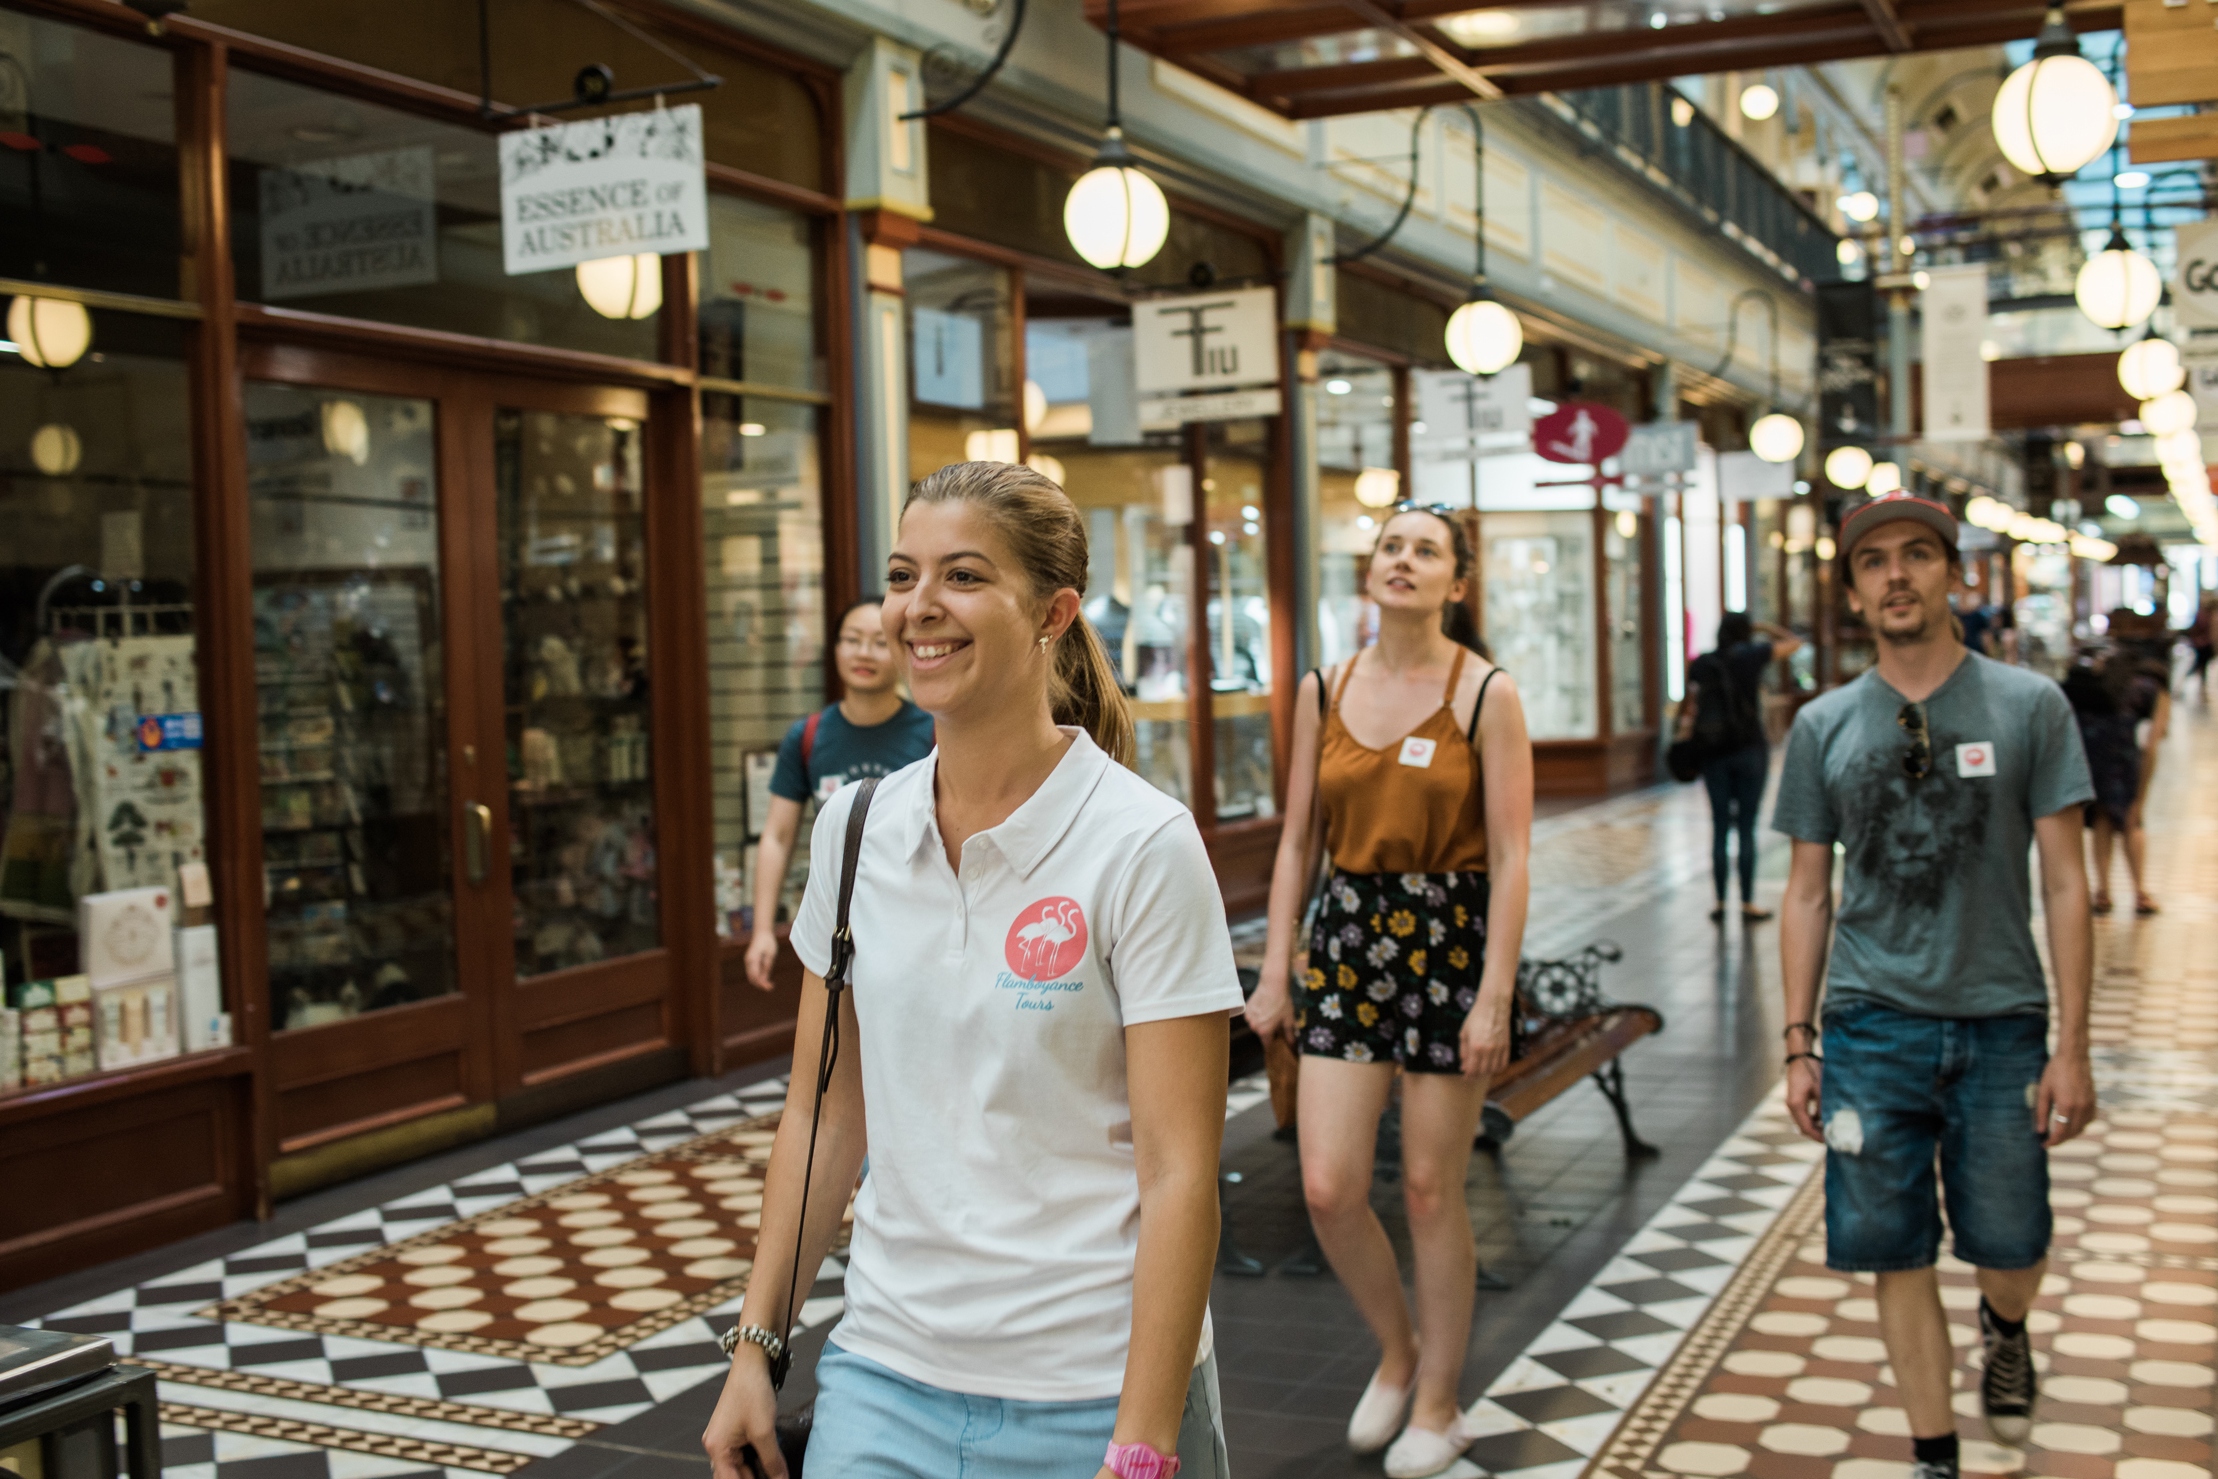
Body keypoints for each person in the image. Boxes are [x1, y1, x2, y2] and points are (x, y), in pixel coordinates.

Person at [701, 462, 1243, 1479]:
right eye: (905, 576)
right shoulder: (857, 830)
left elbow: (1178, 1173)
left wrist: (1142, 1441)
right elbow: (822, 1115)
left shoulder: (1140, 845)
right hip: (885, 1373)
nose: (918, 609)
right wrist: (755, 1351)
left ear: (1052, 612)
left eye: (962, 577)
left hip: (1094, 1388)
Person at [1772, 492, 2095, 1479]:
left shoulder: (2028, 705)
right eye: (1873, 563)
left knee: (2010, 1242)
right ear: (1853, 594)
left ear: (1956, 576)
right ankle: (1933, 1452)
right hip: (1869, 1028)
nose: (1896, 575)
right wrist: (1796, 1042)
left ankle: (2006, 1327)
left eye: (1917, 556)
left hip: (2002, 1022)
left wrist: (2072, 1048)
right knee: (1891, 1249)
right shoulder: (1823, 725)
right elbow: (1804, 894)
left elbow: (2068, 882)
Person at [1245, 505, 1534, 1479]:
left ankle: (1442, 1402)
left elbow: (1514, 854)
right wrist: (1274, 965)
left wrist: (1495, 994)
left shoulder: (1485, 692)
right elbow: (1295, 841)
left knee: (1425, 1187)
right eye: (1388, 547)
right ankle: (1398, 1349)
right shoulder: (1323, 689)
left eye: (1424, 551)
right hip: (1348, 941)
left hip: (1450, 942)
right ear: (1370, 572)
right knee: (1328, 1185)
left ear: (1456, 583)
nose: (1400, 561)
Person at [743, 597, 935, 990]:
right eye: (852, 639)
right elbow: (778, 837)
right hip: (837, 922)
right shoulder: (808, 737)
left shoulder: (934, 733)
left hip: (919, 920)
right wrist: (763, 929)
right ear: (834, 648)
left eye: (880, 642)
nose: (864, 653)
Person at [1679, 612, 1803, 923]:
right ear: (1746, 632)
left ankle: (1720, 902)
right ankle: (1747, 903)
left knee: (1720, 826)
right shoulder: (1752, 655)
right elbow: (1794, 643)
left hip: (1712, 752)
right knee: (1746, 828)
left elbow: (1689, 707)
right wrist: (1763, 626)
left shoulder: (1702, 663)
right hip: (1749, 750)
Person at [2063, 646, 2169, 916]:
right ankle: (2140, 892)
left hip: (2091, 753)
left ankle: (2103, 891)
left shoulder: (2103, 685)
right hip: (2122, 758)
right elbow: (2152, 742)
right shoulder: (2154, 690)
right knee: (2132, 820)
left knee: (2102, 818)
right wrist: (2140, 798)